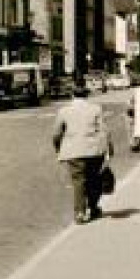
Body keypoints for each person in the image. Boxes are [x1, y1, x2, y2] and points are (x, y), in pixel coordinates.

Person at [53, 81, 111, 224]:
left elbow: (56, 133)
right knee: (94, 179)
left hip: (73, 151)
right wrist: (108, 150)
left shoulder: (64, 111)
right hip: (94, 150)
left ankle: (79, 212)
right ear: (87, 95)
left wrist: (58, 148)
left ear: (72, 95)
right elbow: (104, 131)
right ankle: (93, 207)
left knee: (78, 181)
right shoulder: (96, 109)